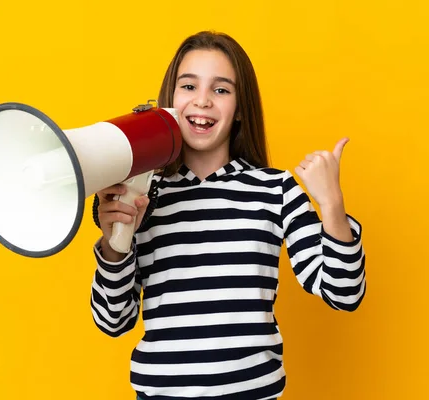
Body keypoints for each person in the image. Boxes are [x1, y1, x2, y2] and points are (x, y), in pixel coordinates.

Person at [90, 30, 366, 400]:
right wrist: (115, 243)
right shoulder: (143, 192)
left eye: (221, 90)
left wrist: (332, 205)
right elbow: (112, 321)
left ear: (239, 109)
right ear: (170, 99)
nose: (202, 101)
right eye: (189, 86)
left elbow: (344, 292)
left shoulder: (276, 190)